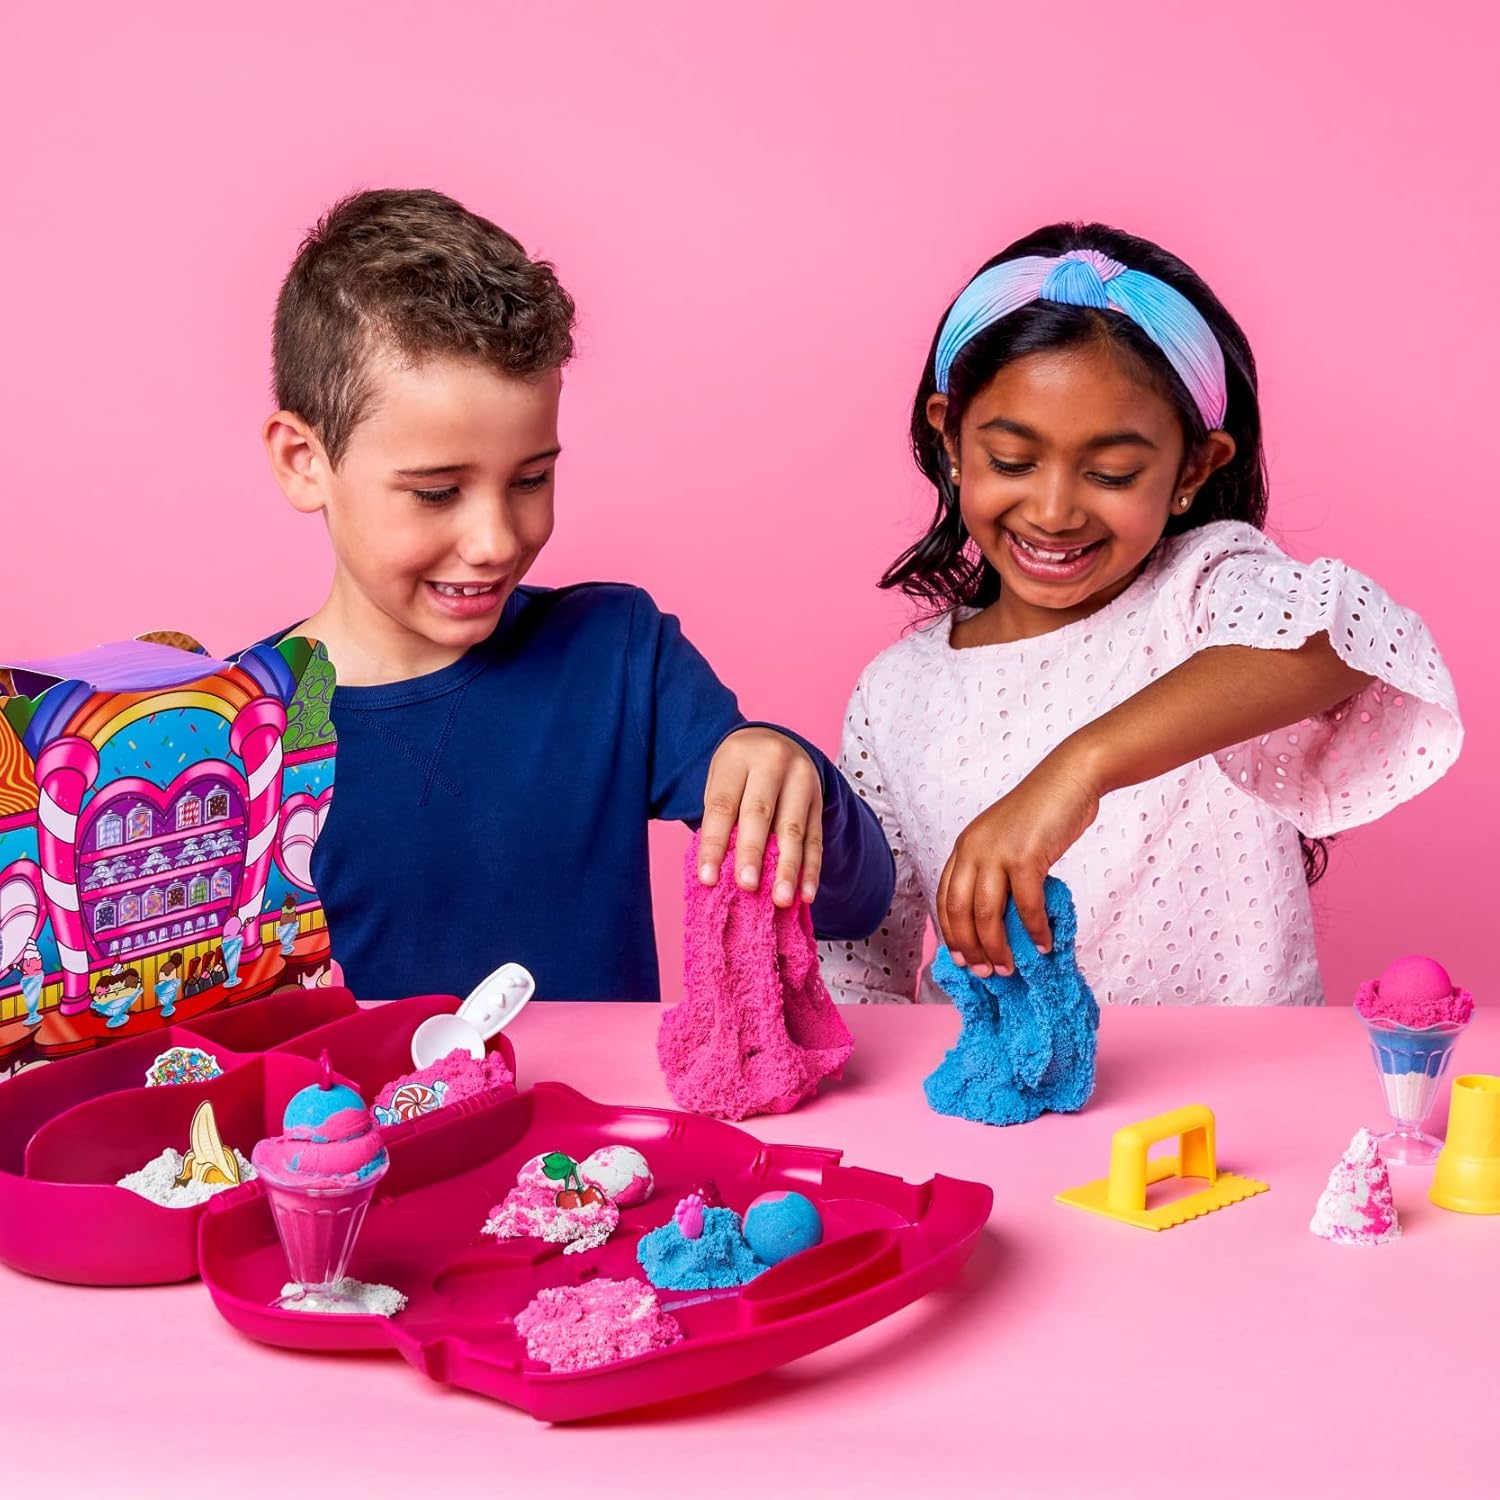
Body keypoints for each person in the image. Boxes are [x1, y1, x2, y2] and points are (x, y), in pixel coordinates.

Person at [259, 189, 892, 1001]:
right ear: (303, 462)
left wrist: (788, 771)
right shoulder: (232, 736)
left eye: (531, 479)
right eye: (436, 492)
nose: (496, 541)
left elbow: (854, 904)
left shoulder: (618, 655)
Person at [820, 224, 1461, 1006]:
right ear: (950, 437)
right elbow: (857, 961)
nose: (1053, 511)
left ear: (1193, 468)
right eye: (1012, 461)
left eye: (1112, 472)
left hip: (1241, 1084)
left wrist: (1077, 770)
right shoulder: (895, 693)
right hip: (986, 1086)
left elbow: (1348, 637)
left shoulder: (1208, 590)